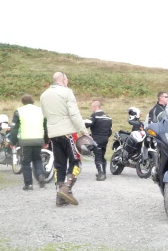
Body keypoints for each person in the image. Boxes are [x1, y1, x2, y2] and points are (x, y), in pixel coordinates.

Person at [40, 71, 91, 206]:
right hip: (68, 132)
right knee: (75, 162)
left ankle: (59, 196)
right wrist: (84, 132)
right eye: (66, 79)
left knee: (59, 165)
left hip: (53, 134)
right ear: (63, 79)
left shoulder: (43, 95)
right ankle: (66, 187)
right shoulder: (67, 92)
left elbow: (45, 115)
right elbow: (74, 113)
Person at [9, 94, 47, 190]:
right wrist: (46, 140)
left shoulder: (19, 111)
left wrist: (12, 142)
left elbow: (14, 128)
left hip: (25, 141)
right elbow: (46, 127)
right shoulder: (40, 111)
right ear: (32, 101)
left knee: (26, 162)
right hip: (38, 139)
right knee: (37, 160)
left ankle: (28, 184)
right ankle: (40, 175)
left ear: (22, 102)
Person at [85, 100, 113, 181]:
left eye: (92, 107)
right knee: (102, 156)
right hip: (105, 139)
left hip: (97, 139)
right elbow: (110, 131)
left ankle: (101, 174)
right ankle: (103, 172)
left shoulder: (95, 116)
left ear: (94, 107)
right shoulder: (108, 117)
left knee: (98, 157)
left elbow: (87, 124)